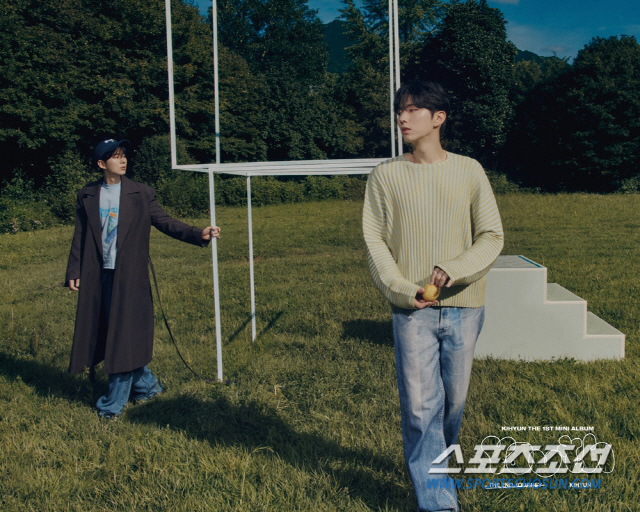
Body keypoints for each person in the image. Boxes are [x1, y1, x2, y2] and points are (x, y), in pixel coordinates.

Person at [362, 81, 504, 512]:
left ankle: (436, 464)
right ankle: (438, 501)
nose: (402, 117)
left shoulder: (469, 170)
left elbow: (491, 235)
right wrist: (404, 290)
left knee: (452, 405)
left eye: (412, 109)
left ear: (438, 117)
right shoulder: (385, 175)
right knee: (421, 409)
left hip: (465, 307)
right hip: (412, 311)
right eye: (399, 110)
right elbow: (374, 242)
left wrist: (455, 269)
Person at [65, 138, 220, 419]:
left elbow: (164, 221)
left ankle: (111, 406)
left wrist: (198, 233)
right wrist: (74, 270)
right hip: (98, 275)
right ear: (101, 164)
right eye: (115, 156)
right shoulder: (87, 194)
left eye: (123, 155)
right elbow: (80, 235)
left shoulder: (141, 193)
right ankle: (147, 387)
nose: (122, 160)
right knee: (112, 332)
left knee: (122, 338)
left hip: (130, 277)